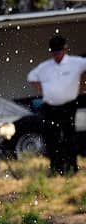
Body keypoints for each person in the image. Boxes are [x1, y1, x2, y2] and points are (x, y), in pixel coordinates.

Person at [27, 35, 86, 175]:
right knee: (52, 138)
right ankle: (56, 168)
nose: (57, 55)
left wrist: (83, 84)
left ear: (65, 50)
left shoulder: (75, 63)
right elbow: (31, 77)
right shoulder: (45, 66)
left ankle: (72, 168)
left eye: (59, 51)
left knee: (69, 137)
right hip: (50, 107)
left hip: (69, 105)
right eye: (54, 52)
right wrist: (42, 89)